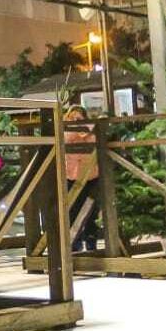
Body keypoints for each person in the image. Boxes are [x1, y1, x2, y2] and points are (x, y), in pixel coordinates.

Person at [62, 106, 100, 252]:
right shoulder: (65, 131)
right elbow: (67, 139)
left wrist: (82, 128)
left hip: (91, 175)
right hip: (72, 176)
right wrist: (78, 128)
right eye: (73, 118)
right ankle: (74, 243)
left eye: (79, 118)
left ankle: (91, 244)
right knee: (73, 211)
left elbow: (95, 139)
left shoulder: (91, 130)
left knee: (92, 212)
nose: (76, 121)